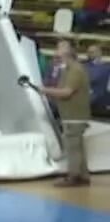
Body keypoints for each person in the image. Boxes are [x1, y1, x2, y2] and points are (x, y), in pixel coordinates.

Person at [40, 39, 92, 188]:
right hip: (71, 114)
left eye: (60, 47)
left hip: (74, 115)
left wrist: (45, 91)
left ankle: (73, 176)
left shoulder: (75, 70)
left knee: (72, 147)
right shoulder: (67, 69)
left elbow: (67, 92)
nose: (57, 50)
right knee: (78, 146)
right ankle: (83, 175)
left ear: (69, 51)